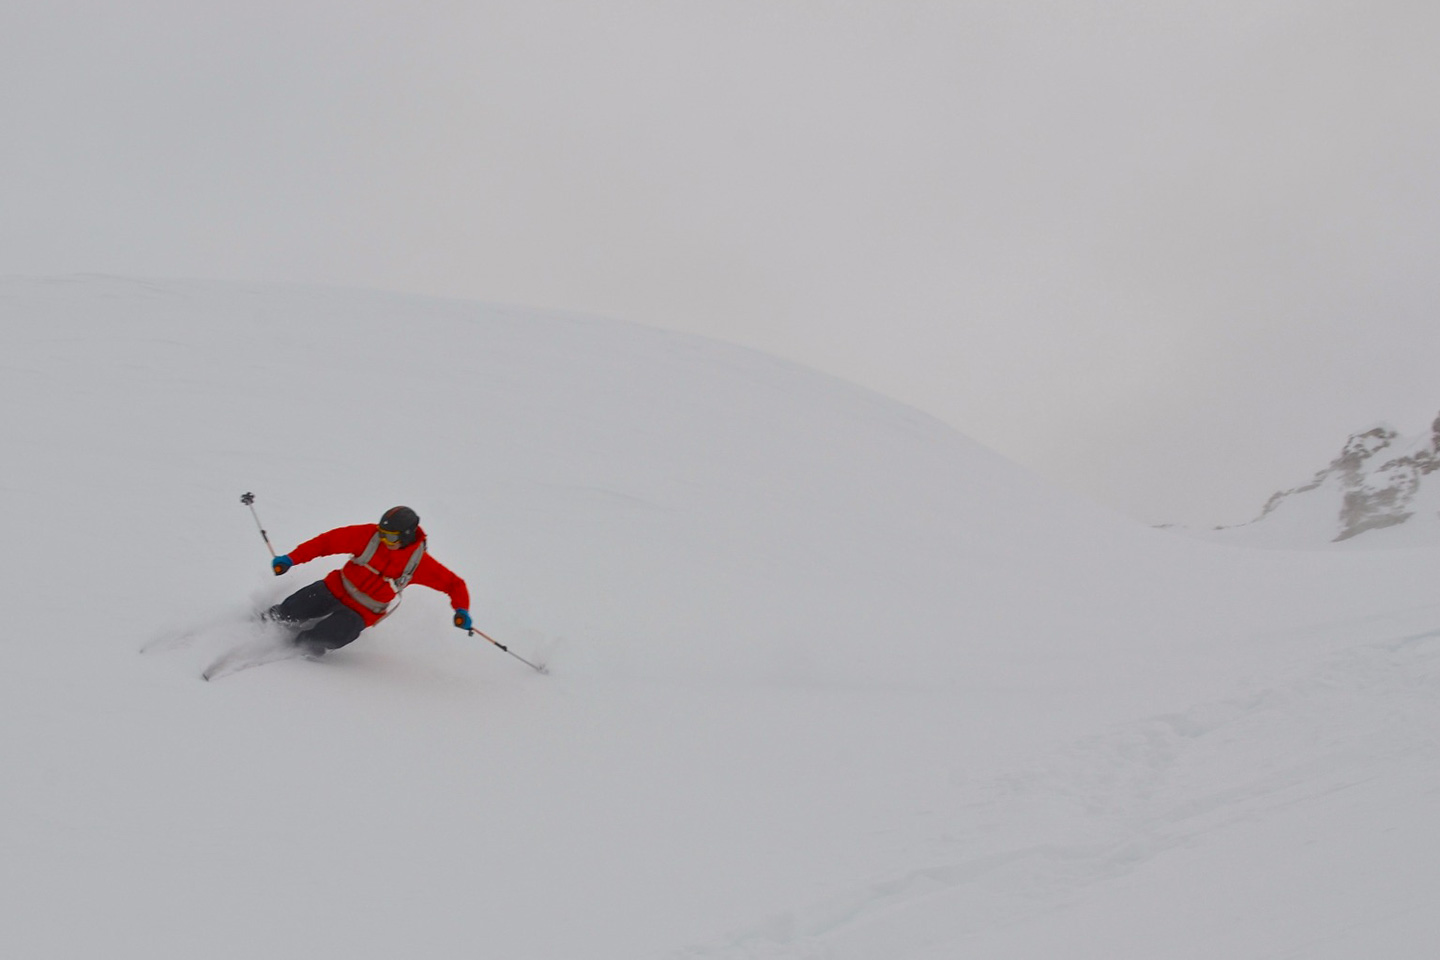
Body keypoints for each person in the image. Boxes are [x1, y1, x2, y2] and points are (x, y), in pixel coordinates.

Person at [268, 505, 472, 656]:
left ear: (406, 536)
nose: (383, 540)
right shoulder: (368, 536)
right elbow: (327, 542)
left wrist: (461, 610)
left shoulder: (419, 564)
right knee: (289, 611)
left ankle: (296, 654)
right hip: (336, 588)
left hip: (363, 610)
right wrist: (291, 559)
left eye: (390, 537)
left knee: (325, 637)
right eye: (382, 534)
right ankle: (262, 627)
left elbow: (454, 584)